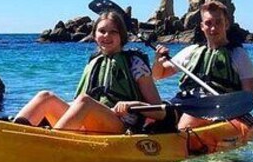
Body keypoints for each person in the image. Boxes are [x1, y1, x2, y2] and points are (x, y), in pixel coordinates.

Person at [14, 10, 165, 133]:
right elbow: (79, 104)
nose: (106, 36)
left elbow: (160, 112)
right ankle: (15, 134)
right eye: (102, 31)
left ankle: (54, 143)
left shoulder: (135, 63)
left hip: (119, 125)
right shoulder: (94, 63)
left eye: (113, 32)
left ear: (122, 36)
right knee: (45, 96)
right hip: (88, 121)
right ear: (94, 36)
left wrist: (132, 104)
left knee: (84, 100)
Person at [151, 0, 253, 129]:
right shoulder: (191, 51)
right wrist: (157, 61)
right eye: (208, 23)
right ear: (202, 26)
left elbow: (250, 96)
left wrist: (235, 112)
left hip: (218, 108)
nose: (213, 27)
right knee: (150, 115)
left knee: (188, 121)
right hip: (186, 103)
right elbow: (158, 75)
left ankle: (179, 136)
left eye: (218, 22)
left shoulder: (238, 55)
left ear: (227, 24)